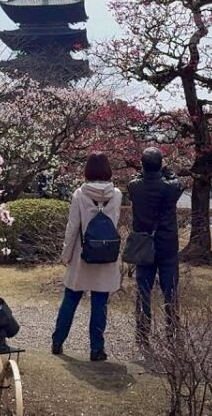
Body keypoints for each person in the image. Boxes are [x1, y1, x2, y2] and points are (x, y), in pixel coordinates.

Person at [51, 152, 123, 362]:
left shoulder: (80, 194)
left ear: (88, 171)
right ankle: (96, 349)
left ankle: (57, 341)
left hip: (83, 255)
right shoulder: (116, 194)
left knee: (70, 299)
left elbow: (72, 227)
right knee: (100, 302)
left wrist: (66, 255)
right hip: (106, 255)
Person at [128, 147, 182, 353]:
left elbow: (136, 177)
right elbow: (176, 180)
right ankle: (172, 330)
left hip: (144, 244)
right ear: (160, 165)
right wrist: (167, 170)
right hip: (167, 244)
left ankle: (142, 331)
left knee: (143, 290)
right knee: (171, 290)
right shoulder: (170, 188)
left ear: (142, 165)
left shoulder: (135, 187)